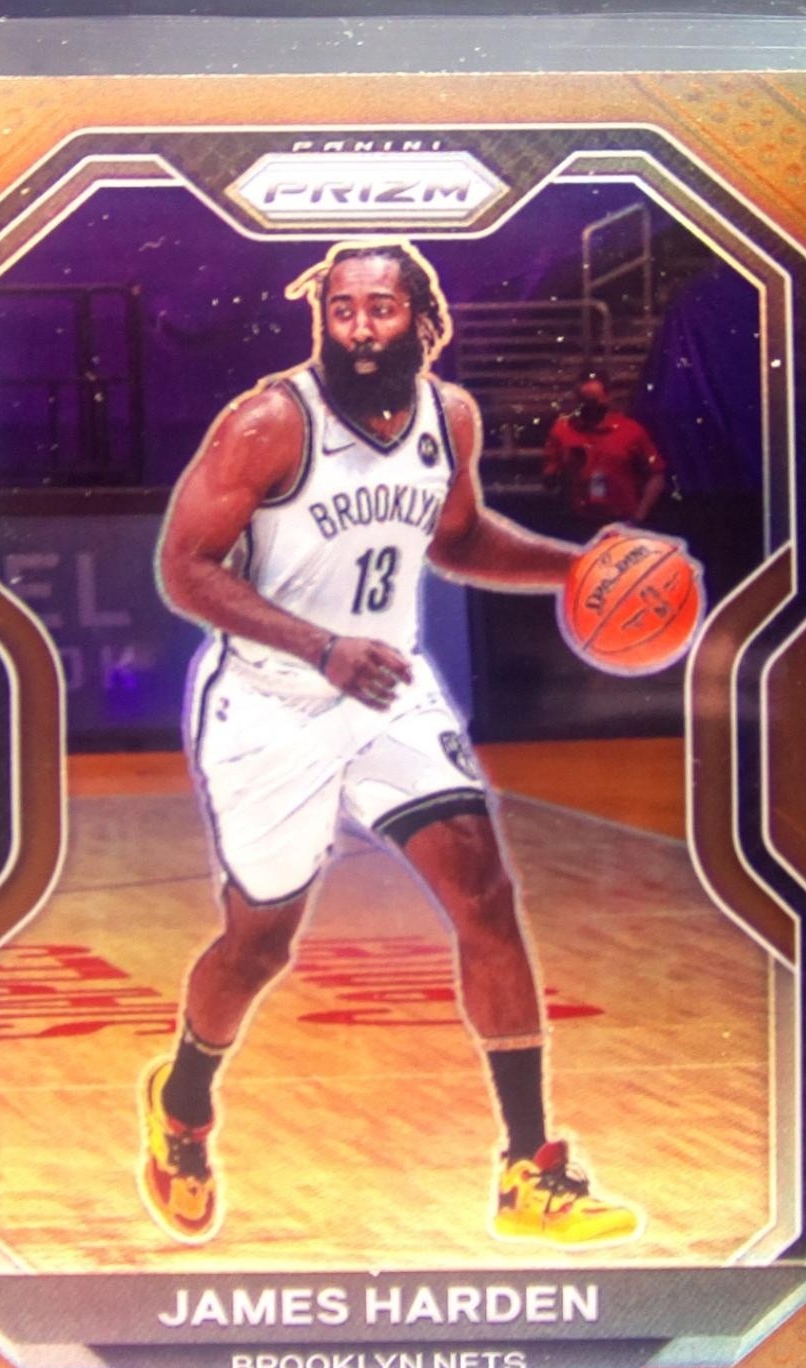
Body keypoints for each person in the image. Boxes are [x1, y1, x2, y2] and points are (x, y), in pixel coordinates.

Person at [139, 240, 641, 1249]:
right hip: (272, 703)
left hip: (389, 693)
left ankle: (529, 1168)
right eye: (343, 309)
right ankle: (182, 1102)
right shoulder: (268, 423)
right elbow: (185, 568)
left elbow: (458, 540)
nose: (360, 328)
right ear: (321, 318)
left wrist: (578, 566)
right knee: (258, 944)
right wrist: (319, 647)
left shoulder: (450, 417)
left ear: (422, 317)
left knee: (485, 894)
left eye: (381, 308)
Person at [542, 370, 666, 542]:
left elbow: (657, 475)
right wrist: (567, 466)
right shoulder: (563, 430)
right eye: (585, 403)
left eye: (594, 402)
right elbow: (549, 482)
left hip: (622, 524)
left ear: (607, 397)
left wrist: (638, 518)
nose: (590, 410)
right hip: (579, 524)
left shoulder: (630, 430)